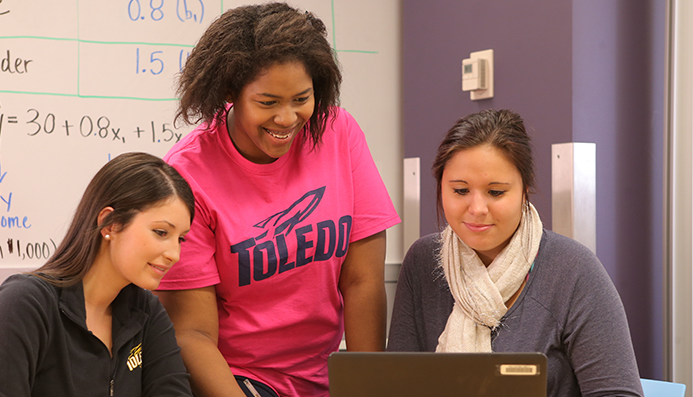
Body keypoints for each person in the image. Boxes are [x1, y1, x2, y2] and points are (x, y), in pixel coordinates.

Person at [153, 3, 401, 397]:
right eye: (267, 103)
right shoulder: (189, 173)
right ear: (230, 92)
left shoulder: (338, 133)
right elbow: (193, 333)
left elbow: (362, 280)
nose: (286, 119)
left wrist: (363, 387)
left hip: (328, 375)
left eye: (301, 99)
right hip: (239, 379)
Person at [387, 109, 643, 396]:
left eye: (496, 192)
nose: (477, 209)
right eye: (460, 190)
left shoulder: (574, 271)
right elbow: (400, 384)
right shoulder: (423, 262)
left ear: (525, 190)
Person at [0, 152, 195, 397]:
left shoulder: (147, 312)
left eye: (180, 239)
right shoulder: (23, 304)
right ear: (110, 223)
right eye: (161, 232)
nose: (175, 254)